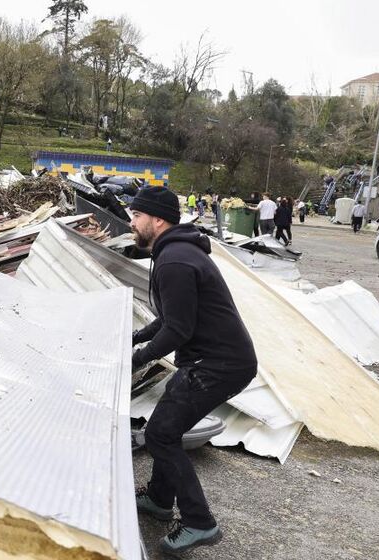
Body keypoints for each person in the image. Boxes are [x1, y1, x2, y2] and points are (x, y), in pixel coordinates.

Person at [129, 187, 257, 556]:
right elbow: (171, 317)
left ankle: (200, 522)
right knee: (165, 429)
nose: (131, 222)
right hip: (213, 360)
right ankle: (157, 498)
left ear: (157, 219)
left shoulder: (176, 261)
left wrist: (136, 359)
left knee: (161, 435)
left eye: (137, 216)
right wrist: (135, 338)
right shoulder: (174, 253)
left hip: (217, 365)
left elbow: (177, 331)